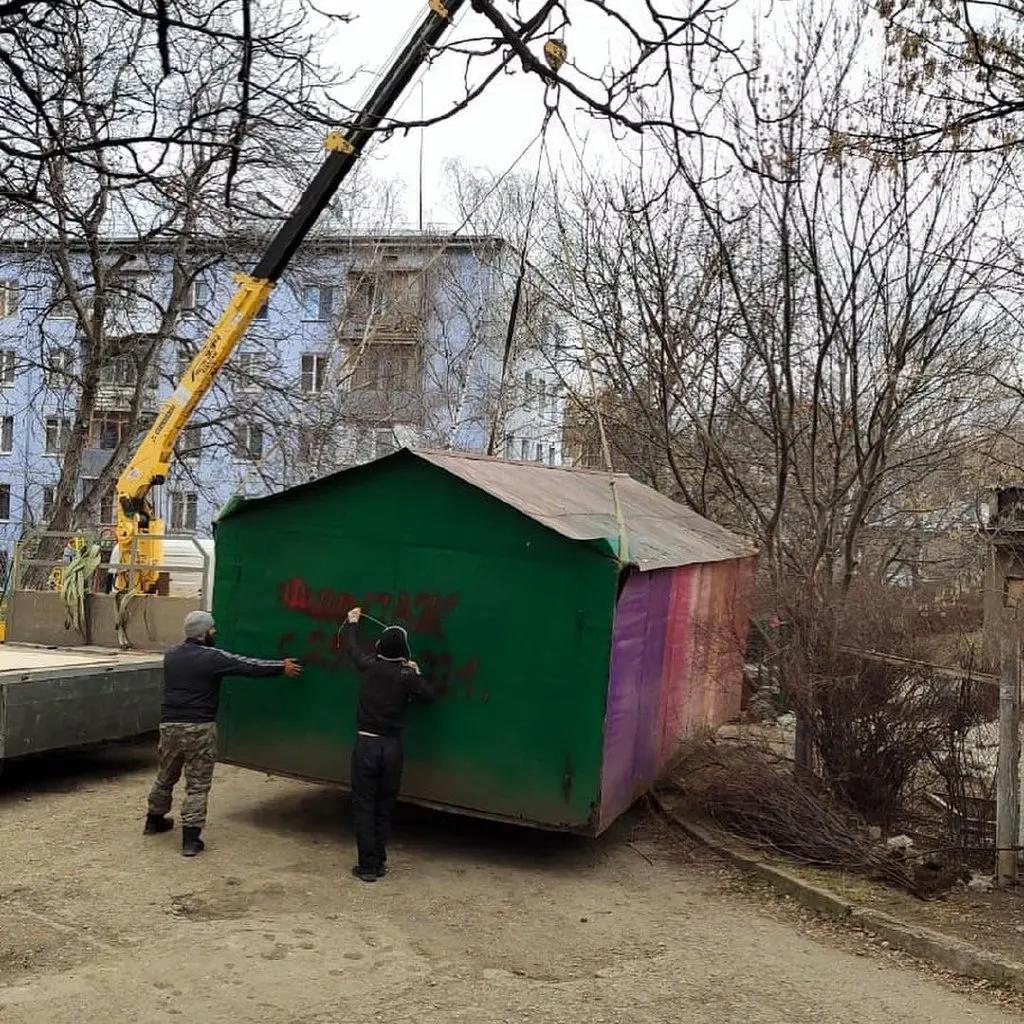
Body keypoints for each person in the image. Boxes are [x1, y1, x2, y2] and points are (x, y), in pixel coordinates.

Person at [144, 609, 302, 857]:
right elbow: (247, 665)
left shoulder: (171, 655)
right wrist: (281, 667)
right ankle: (190, 840)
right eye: (212, 629)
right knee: (197, 784)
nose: (215, 632)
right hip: (200, 727)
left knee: (165, 775)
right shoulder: (212, 657)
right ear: (204, 632)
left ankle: (154, 820)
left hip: (169, 725)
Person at [342, 606, 433, 882]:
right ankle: (378, 860)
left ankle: (367, 865)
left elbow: (352, 648)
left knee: (364, 804)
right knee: (384, 804)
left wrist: (352, 622)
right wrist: (415, 671)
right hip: (392, 748)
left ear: (380, 645)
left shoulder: (368, 665)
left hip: (367, 745)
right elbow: (428, 695)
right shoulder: (406, 676)